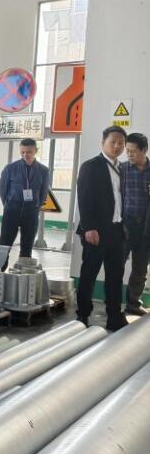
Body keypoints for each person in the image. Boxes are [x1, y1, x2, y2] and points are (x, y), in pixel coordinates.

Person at [76, 126, 131, 330]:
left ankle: (114, 316)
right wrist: (89, 227)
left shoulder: (123, 169)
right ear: (103, 143)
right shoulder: (91, 166)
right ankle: (82, 315)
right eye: (113, 142)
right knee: (89, 274)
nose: (117, 146)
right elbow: (84, 198)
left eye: (120, 143)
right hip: (96, 231)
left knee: (115, 277)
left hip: (117, 231)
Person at [0, 138, 50, 270]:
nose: (25, 155)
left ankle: (22, 275)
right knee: (4, 244)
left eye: (29, 152)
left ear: (36, 151)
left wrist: (35, 207)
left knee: (27, 247)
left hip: (31, 213)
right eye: (23, 152)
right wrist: (8, 205)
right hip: (12, 211)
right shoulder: (10, 168)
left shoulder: (43, 171)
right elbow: (3, 189)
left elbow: (43, 193)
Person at [122, 133, 150, 316]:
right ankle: (112, 304)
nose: (129, 154)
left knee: (140, 267)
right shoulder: (122, 169)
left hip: (146, 227)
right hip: (125, 224)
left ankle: (133, 304)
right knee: (117, 264)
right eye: (128, 151)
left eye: (133, 151)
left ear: (144, 150)